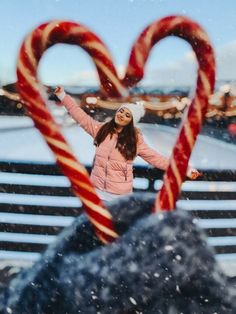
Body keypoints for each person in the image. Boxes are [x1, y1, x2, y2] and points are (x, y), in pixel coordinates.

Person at [53, 87, 201, 201]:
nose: (122, 115)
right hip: (97, 192)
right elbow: (79, 115)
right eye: (121, 111)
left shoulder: (135, 140)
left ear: (131, 121)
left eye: (127, 115)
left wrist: (185, 169)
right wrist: (63, 96)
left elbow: (157, 158)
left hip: (120, 196)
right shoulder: (101, 130)